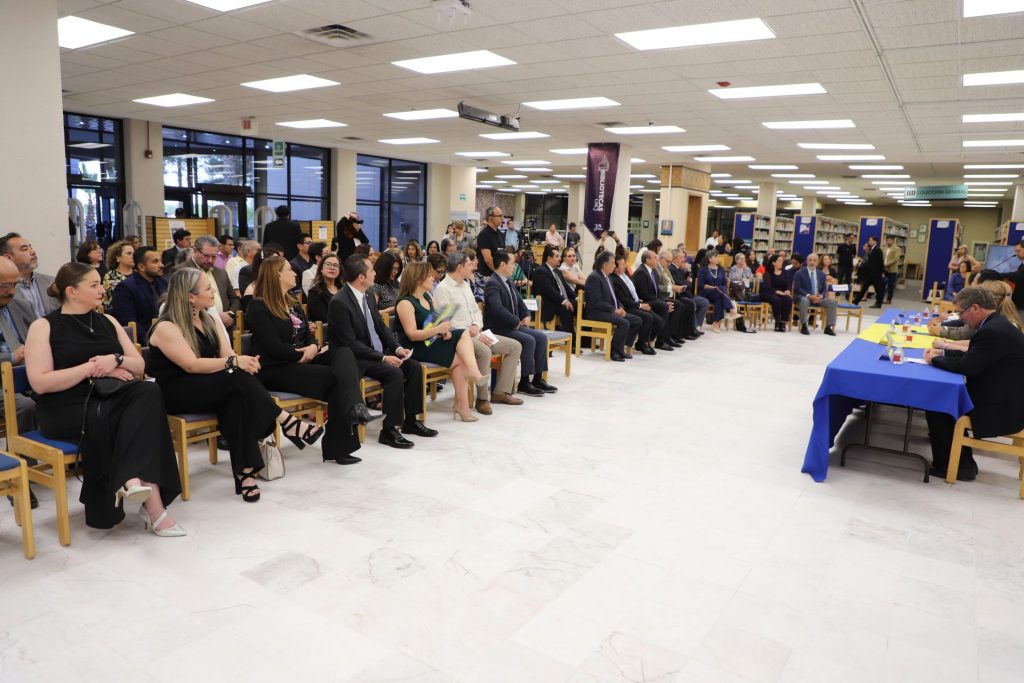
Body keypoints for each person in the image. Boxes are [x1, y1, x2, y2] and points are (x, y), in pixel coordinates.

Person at [25, 262, 183, 534]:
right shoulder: (44, 326)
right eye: (94, 285)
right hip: (66, 406)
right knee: (126, 419)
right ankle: (151, 504)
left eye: (100, 284)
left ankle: (134, 482)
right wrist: (91, 368)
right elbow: (40, 382)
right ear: (72, 291)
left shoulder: (108, 321)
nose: (102, 290)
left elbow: (140, 366)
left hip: (110, 397)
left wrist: (115, 359)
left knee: (148, 391)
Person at [149, 268, 325, 502]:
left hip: (210, 385)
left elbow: (227, 355)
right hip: (177, 392)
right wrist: (235, 362)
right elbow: (191, 365)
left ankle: (246, 474)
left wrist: (245, 362)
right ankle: (286, 421)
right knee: (235, 377)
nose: (214, 292)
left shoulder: (209, 319)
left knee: (237, 398)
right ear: (191, 296)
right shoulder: (166, 326)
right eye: (208, 288)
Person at [247, 255, 371, 466]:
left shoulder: (293, 303)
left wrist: (313, 346)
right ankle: (340, 440)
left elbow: (308, 334)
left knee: (344, 352)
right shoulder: (258, 307)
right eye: (289, 270)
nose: (294, 273)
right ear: (277, 275)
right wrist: (303, 354)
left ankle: (355, 407)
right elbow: (272, 346)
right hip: (276, 368)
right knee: (336, 379)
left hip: (302, 359)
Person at [330, 254, 436, 449]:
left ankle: (411, 420)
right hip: (356, 359)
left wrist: (397, 348)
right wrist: (383, 358)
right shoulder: (339, 302)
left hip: (376, 353)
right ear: (361, 277)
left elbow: (380, 327)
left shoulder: (368, 295)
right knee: (394, 373)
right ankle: (389, 430)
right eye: (371, 270)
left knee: (413, 367)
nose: (375, 273)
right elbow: (350, 343)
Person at [923, 286, 1024, 481]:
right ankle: (962, 462)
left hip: (1004, 406)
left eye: (962, 312)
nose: (962, 319)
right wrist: (942, 353)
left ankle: (958, 467)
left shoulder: (992, 330)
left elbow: (967, 366)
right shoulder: (996, 324)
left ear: (975, 308)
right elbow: (976, 356)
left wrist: (934, 360)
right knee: (945, 397)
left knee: (939, 402)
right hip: (1005, 395)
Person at [432, 251, 523, 414]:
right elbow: (445, 322)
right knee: (484, 351)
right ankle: (482, 399)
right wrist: (472, 331)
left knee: (515, 346)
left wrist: (476, 324)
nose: (473, 267)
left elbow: (476, 311)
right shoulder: (443, 289)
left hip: (476, 332)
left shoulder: (465, 285)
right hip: (459, 337)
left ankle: (500, 392)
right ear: (459, 267)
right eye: (469, 264)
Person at [395, 262, 486, 422]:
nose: (433, 278)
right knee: (461, 360)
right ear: (418, 279)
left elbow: (433, 322)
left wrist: (444, 331)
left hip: (430, 341)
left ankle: (469, 384)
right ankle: (464, 403)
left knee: (462, 334)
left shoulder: (427, 297)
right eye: (429, 275)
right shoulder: (405, 303)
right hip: (415, 348)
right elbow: (412, 335)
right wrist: (437, 330)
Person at [484, 251, 558, 393]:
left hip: (512, 326)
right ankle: (524, 382)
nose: (515, 266)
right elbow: (496, 308)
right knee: (529, 340)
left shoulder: (508, 280)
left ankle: (538, 379)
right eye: (512, 263)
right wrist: (515, 320)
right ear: (503, 265)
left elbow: (519, 300)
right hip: (499, 329)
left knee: (541, 337)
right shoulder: (492, 283)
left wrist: (526, 314)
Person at [0, 256, 38, 441]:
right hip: (2, 383)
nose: (12, 291)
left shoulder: (22, 305)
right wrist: (12, 357)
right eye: (5, 286)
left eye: (15, 284)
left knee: (63, 393)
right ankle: (23, 456)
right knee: (26, 406)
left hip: (27, 374)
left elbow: (40, 338)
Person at [583, 251, 640, 362]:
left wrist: (620, 307)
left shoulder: (607, 277)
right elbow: (597, 301)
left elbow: (614, 297)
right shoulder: (594, 277)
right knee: (624, 323)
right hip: (596, 312)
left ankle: (620, 348)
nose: (615, 266)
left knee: (636, 320)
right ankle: (613, 351)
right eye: (613, 263)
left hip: (608, 311)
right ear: (605, 265)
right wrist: (614, 310)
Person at [930, 280, 1022, 348]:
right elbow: (974, 343)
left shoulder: (998, 326)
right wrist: (946, 342)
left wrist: (944, 345)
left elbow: (969, 341)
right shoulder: (996, 321)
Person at [110, 245, 167, 341]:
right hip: (144, 341)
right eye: (155, 261)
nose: (161, 265)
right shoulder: (125, 288)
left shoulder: (164, 283)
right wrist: (151, 341)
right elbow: (129, 322)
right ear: (142, 267)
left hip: (168, 336)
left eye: (160, 261)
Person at [634, 251, 686, 349]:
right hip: (644, 301)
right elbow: (643, 294)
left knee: (673, 304)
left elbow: (657, 291)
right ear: (648, 260)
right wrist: (663, 302)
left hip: (652, 299)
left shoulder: (653, 271)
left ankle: (666, 337)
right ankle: (659, 341)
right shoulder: (641, 272)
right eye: (655, 257)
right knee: (663, 306)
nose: (657, 259)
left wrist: (664, 301)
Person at [611, 254, 660, 355]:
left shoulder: (625, 276)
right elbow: (624, 300)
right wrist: (640, 306)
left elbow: (632, 292)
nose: (624, 267)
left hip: (635, 303)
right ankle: (640, 344)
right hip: (627, 307)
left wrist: (639, 302)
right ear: (615, 267)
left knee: (658, 320)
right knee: (647, 317)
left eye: (624, 264)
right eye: (622, 265)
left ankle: (645, 341)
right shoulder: (614, 279)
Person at [189, 235, 241, 330]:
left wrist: (230, 314)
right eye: (206, 256)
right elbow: (182, 305)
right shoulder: (181, 272)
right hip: (198, 329)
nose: (210, 260)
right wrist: (215, 316)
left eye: (214, 256)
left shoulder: (221, 273)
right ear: (195, 250)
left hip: (225, 327)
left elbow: (234, 298)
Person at [0, 233, 58, 318]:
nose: (33, 252)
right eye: (24, 249)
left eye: (31, 248)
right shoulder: (4, 289)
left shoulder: (52, 282)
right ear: (8, 258)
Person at [531, 244, 576, 339]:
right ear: (549, 259)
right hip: (548, 304)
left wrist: (576, 298)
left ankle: (585, 340)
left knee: (582, 306)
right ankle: (571, 340)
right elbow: (549, 291)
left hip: (558, 301)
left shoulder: (557, 271)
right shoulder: (541, 271)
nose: (560, 259)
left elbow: (566, 287)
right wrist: (564, 301)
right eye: (557, 256)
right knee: (566, 308)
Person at [793, 253, 837, 336]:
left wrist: (821, 296)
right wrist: (809, 296)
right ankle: (804, 326)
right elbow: (797, 288)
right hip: (805, 296)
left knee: (832, 302)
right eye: (810, 260)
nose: (812, 262)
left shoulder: (822, 274)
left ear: (817, 262)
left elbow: (824, 289)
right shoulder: (799, 273)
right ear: (807, 261)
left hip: (818, 297)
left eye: (814, 260)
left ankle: (828, 327)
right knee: (804, 301)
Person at [668, 249, 708, 335]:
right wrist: (687, 282)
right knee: (691, 303)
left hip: (688, 294)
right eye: (681, 257)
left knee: (704, 302)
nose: (684, 260)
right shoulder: (671, 269)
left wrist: (688, 272)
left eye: (684, 257)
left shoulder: (681, 269)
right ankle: (691, 328)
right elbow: (677, 283)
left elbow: (690, 283)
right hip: (680, 295)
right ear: (675, 258)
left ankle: (696, 326)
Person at [697, 251, 739, 333]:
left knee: (719, 299)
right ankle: (731, 309)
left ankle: (715, 323)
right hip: (706, 292)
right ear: (710, 259)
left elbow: (724, 284)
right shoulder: (703, 270)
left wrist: (718, 288)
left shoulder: (721, 270)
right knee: (720, 293)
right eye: (715, 257)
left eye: (717, 257)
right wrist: (713, 288)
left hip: (719, 293)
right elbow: (701, 285)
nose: (718, 259)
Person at [760, 253, 794, 332]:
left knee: (788, 299)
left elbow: (788, 284)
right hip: (769, 292)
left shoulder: (785, 272)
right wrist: (779, 292)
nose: (781, 263)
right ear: (773, 263)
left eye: (782, 261)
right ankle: (777, 321)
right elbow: (768, 287)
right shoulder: (767, 273)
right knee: (777, 300)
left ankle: (783, 321)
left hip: (782, 293)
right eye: (779, 261)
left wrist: (788, 290)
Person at [307, 252, 341, 323]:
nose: (332, 268)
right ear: (321, 269)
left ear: (339, 270)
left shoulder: (344, 289)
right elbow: (323, 318)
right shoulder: (315, 292)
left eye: (335, 265)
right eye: (328, 264)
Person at [852, 236, 885, 308]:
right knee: (864, 288)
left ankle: (878, 303)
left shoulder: (878, 250)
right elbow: (869, 261)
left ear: (875, 242)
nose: (869, 242)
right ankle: (855, 301)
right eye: (869, 240)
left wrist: (882, 272)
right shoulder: (870, 249)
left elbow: (880, 262)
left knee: (878, 289)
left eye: (871, 240)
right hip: (869, 273)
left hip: (876, 273)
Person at [101, 240, 134, 309]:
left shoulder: (139, 274)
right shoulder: (110, 276)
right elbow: (107, 302)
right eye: (129, 253)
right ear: (118, 257)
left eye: (134, 253)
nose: (133, 256)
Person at [371, 250, 403, 316]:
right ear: (385, 268)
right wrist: (395, 308)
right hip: (386, 321)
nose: (396, 272)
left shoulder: (395, 283)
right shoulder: (375, 286)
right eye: (393, 268)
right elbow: (373, 313)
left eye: (398, 269)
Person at [476, 206, 504, 277]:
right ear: (491, 218)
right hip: (487, 275)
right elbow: (488, 260)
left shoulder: (500, 234)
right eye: (500, 216)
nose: (502, 218)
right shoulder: (484, 235)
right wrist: (499, 273)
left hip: (498, 273)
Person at [882, 235, 901, 304]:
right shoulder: (884, 248)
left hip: (892, 270)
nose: (888, 241)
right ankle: (881, 298)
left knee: (890, 285)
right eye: (887, 240)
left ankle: (889, 299)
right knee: (882, 284)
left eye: (890, 240)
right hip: (884, 269)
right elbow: (882, 257)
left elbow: (895, 259)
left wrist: (886, 265)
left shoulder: (897, 249)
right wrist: (882, 265)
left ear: (893, 241)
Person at [836, 234, 855, 298]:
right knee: (839, 280)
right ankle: (837, 294)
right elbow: (837, 254)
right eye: (851, 238)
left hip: (849, 266)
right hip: (841, 266)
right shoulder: (841, 246)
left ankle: (847, 296)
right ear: (847, 238)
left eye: (853, 238)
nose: (852, 239)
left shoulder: (853, 246)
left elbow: (854, 255)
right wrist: (841, 259)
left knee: (848, 281)